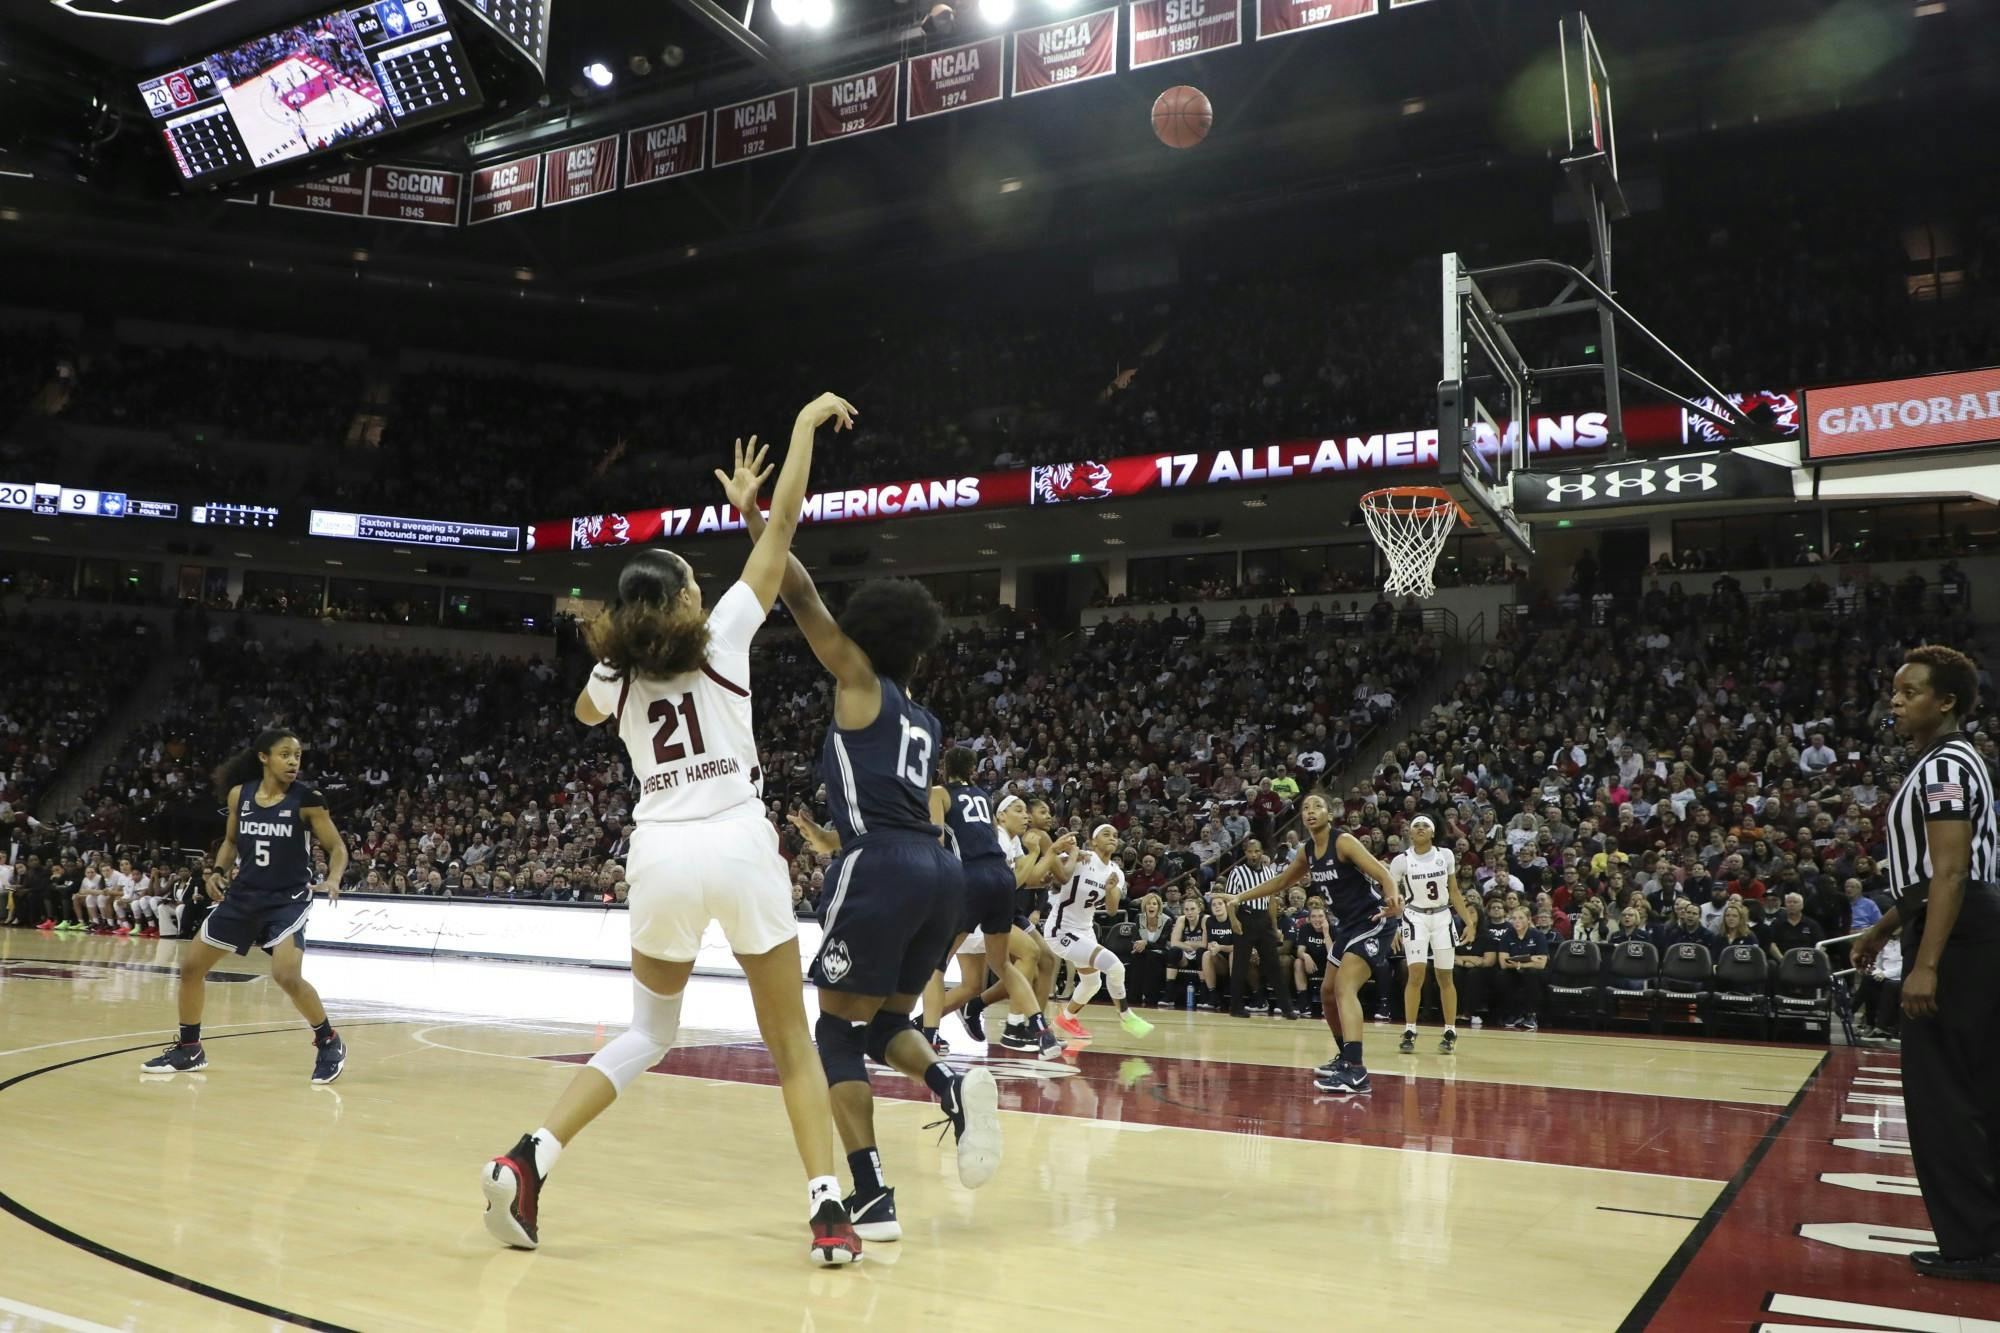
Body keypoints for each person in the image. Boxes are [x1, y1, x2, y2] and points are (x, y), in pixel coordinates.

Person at [478, 401, 863, 1267]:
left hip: (658, 850)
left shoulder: (612, 677)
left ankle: (530, 1156)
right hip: (734, 838)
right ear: (690, 599)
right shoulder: (725, 632)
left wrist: (615, 655)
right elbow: (786, 529)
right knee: (791, 1041)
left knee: (649, 1033)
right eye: (693, 579)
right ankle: (828, 1211)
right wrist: (798, 432)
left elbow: (582, 709)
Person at [730, 444, 1002, 1249]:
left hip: (881, 863)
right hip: (939, 872)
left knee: (833, 1033)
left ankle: (872, 1194)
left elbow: (798, 588)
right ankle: (949, 1081)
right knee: (883, 1021)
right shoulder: (924, 715)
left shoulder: (857, 679)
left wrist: (760, 515)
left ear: (866, 633)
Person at [1850, 644, 2000, 1281]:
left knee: (1944, 1098)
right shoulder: (1947, 760)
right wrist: (1887, 925)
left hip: (1959, 939)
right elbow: (1929, 877)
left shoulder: (1944, 768)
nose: (1896, 700)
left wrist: (1926, 962)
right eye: (1894, 690)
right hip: (1961, 927)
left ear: (1946, 702)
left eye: (1910, 691)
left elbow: (1949, 869)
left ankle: (1972, 1245)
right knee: (1976, 1091)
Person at [140, 728, 349, 1083]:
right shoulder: (241, 796)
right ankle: (190, 1049)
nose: (293, 762)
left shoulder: (307, 799)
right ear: (264, 757)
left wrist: (333, 879)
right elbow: (231, 841)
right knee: (191, 967)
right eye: (285, 754)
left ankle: (328, 1040)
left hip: (288, 899)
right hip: (244, 896)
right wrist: (217, 871)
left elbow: (338, 848)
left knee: (285, 975)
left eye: (297, 756)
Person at [1222, 792, 1400, 1094]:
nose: (1310, 811)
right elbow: (1280, 883)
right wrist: (1240, 897)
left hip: (1373, 921)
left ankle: (1357, 1072)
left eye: (1318, 806)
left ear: (1329, 814)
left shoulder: (1343, 842)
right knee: (1327, 993)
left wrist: (1394, 897)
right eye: (1305, 808)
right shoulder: (1307, 851)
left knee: (1344, 987)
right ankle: (1346, 1058)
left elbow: (1383, 872)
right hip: (1347, 927)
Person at [1045, 825, 1155, 1041]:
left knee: (1092, 983)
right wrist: (1071, 854)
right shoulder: (1081, 858)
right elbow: (1051, 868)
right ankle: (1125, 1015)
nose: (1113, 838)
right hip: (1062, 929)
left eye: (1115, 835)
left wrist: (1111, 888)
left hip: (1085, 930)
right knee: (1114, 966)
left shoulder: (1117, 872)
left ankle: (1066, 1018)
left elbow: (1112, 909)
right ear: (1093, 841)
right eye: (1106, 834)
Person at [1391, 815, 1476, 1054]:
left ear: (1432, 832)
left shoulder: (1445, 856)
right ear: (1409, 833)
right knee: (1415, 974)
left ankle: (1450, 1031)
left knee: (1445, 976)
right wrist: (1393, 926)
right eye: (1415, 825)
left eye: (1424, 825)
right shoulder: (1401, 861)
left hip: (1442, 917)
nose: (1419, 828)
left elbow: (1455, 891)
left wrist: (1469, 922)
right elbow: (1390, 895)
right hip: (1414, 916)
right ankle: (1409, 1030)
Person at [1223, 839, 1296, 1019]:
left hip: (1263, 919)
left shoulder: (1269, 873)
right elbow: (1230, 900)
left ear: (1262, 852)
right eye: (1250, 852)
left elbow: (1271, 901)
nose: (1253, 855)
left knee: (1273, 965)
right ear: (1245, 853)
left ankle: (1287, 1008)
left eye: (1256, 851)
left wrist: (1274, 926)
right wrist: (1233, 920)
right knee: (1240, 964)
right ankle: (1235, 1007)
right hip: (1244, 918)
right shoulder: (1237, 873)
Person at [1492, 906, 1552, 1030]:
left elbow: (1541, 963)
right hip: (1513, 971)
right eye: (1514, 918)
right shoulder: (1507, 935)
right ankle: (1514, 1013)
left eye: (1520, 918)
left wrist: (1520, 964)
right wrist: (1531, 959)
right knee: (1501, 975)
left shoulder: (1538, 935)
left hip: (1533, 973)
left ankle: (1531, 1014)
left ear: (1529, 919)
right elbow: (1503, 963)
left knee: (1532, 973)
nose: (1516, 921)